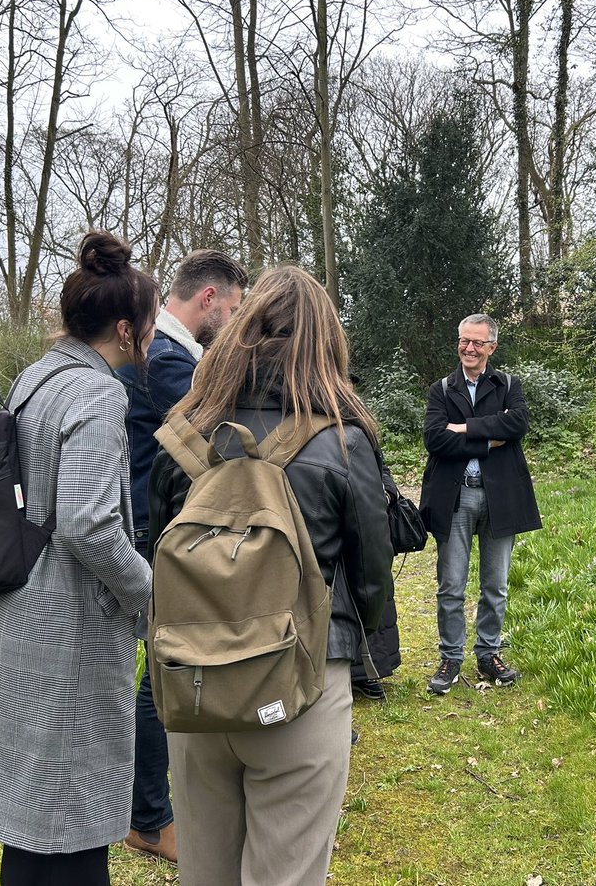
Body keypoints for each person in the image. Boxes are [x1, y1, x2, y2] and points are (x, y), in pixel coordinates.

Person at [147, 264, 392, 886]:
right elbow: (370, 566)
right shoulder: (342, 438)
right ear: (325, 340)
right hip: (300, 681)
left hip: (197, 684)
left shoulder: (185, 430)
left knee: (205, 873)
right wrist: (374, 658)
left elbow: (157, 551)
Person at [0, 232, 158, 886]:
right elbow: (89, 523)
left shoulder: (38, 376)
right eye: (145, 326)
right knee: (72, 821)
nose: (149, 337)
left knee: (35, 824)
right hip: (72, 634)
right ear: (126, 330)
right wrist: (147, 593)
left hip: (23, 611)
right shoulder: (97, 393)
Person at [117, 249, 247, 864]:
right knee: (159, 675)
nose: (236, 319)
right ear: (210, 300)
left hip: (154, 529)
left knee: (156, 671)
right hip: (154, 534)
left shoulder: (165, 355)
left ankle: (146, 806)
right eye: (236, 307)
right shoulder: (167, 363)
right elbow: (215, 439)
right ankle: (149, 818)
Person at [420, 313, 542, 695]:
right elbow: (435, 440)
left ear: (492, 347)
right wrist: (488, 438)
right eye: (463, 341)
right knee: (451, 584)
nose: (468, 349)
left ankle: (489, 654)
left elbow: (518, 424)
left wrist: (465, 427)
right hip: (455, 497)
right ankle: (451, 657)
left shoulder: (508, 385)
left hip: (500, 497)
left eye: (477, 343)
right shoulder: (441, 389)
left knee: (496, 585)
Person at [349, 452, 403, 702]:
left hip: (366, 525)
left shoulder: (361, 433)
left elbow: (383, 472)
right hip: (327, 524)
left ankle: (368, 672)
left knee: (372, 593)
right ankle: (341, 674)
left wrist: (386, 494)